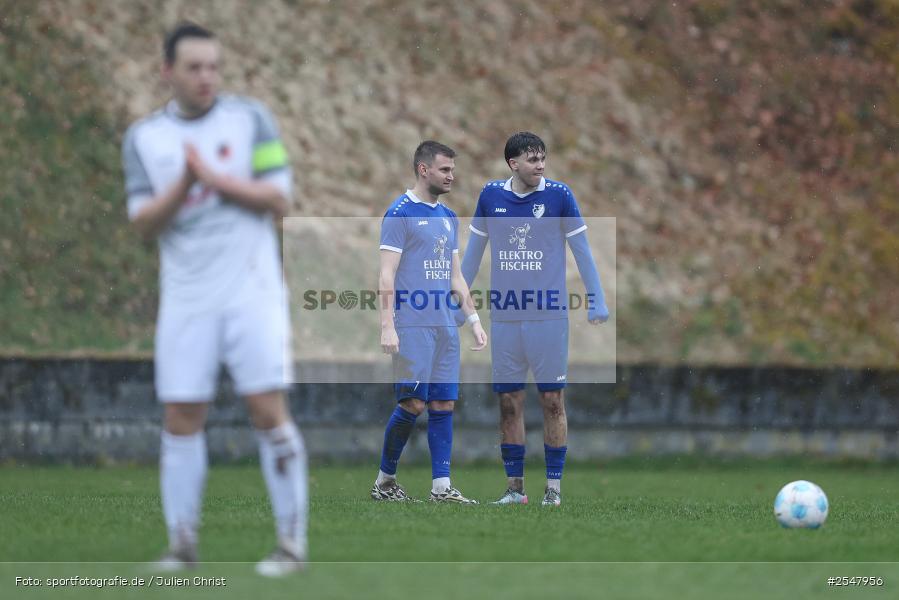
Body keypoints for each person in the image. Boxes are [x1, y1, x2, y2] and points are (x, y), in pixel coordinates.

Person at [121, 22, 306, 576]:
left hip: (252, 290)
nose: (206, 77)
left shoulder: (249, 120)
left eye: (213, 66)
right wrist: (183, 184)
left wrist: (216, 180)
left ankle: (292, 546)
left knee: (265, 409)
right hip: (185, 297)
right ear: (168, 72)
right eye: (194, 67)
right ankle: (182, 544)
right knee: (181, 414)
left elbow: (280, 198)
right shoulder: (144, 138)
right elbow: (141, 223)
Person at [461, 131, 609, 507]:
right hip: (507, 318)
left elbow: (582, 251)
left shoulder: (559, 196)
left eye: (543, 158)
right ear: (513, 163)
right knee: (509, 403)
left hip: (548, 317)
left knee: (552, 400)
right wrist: (455, 303)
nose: (540, 166)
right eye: (532, 160)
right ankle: (515, 490)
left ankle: (554, 490)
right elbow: (472, 256)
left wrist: (596, 298)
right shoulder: (491, 197)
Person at [373, 141, 488, 504]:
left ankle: (441, 488)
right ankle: (385, 481)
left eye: (452, 170)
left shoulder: (449, 218)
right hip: (411, 326)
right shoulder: (399, 213)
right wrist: (387, 325)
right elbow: (386, 276)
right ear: (424, 170)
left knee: (443, 405)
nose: (451, 176)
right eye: (445, 170)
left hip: (444, 328)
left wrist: (472, 318)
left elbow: (455, 276)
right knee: (413, 404)